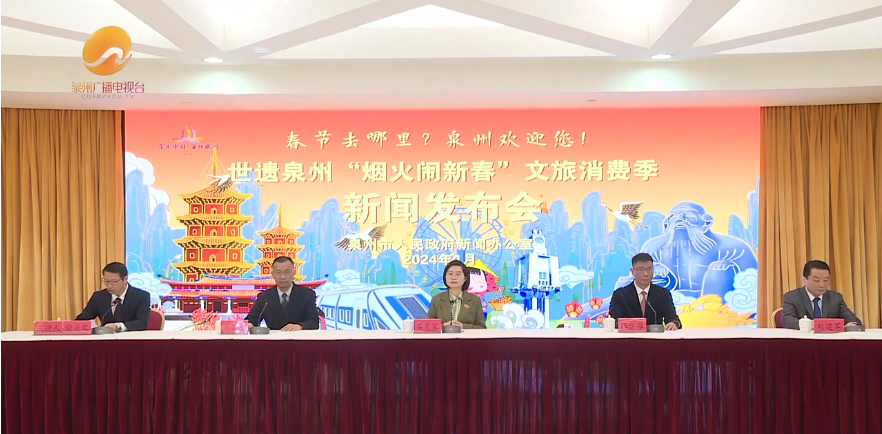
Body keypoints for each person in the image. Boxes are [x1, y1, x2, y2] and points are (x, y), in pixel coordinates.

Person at [609, 253, 681, 330]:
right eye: (641, 270)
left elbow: (673, 318)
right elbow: (613, 321)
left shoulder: (663, 294)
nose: (646, 274)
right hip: (629, 336)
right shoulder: (620, 295)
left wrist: (673, 323)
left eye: (649, 269)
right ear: (632, 271)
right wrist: (635, 326)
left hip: (655, 336)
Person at [781, 260, 861, 329]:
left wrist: (851, 324)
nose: (822, 285)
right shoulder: (792, 297)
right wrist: (807, 324)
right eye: (816, 280)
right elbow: (786, 320)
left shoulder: (835, 298)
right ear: (805, 279)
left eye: (826, 280)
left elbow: (853, 319)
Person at [246, 256, 319, 331]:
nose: (283, 277)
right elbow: (252, 320)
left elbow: (314, 322)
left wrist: (300, 326)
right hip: (274, 338)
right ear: (273, 274)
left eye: (287, 272)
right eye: (278, 272)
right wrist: (249, 325)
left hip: (299, 337)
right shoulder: (264, 297)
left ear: (293, 273)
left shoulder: (307, 294)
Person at [76, 262, 150, 332]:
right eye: (106, 281)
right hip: (105, 338)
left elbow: (142, 323)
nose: (109, 286)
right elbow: (83, 319)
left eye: (113, 282)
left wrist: (118, 326)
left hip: (131, 338)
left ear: (125, 279)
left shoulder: (141, 296)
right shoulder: (98, 297)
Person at [426, 260, 486, 329]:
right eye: (450, 274)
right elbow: (428, 326)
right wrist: (444, 326)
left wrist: (463, 326)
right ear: (445, 277)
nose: (453, 277)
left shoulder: (475, 300)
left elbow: (482, 327)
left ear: (465, 278)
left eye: (458, 274)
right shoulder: (436, 299)